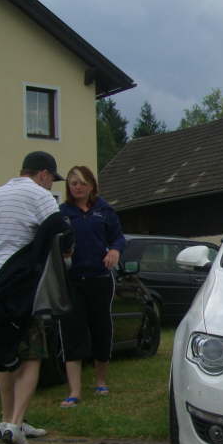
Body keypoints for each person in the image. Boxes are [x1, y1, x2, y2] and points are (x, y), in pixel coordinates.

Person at [0, 151, 68, 444]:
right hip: (20, 285)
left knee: (3, 352)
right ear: (43, 174)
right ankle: (15, 424)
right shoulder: (40, 196)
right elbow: (62, 235)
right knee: (31, 354)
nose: (50, 185)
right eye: (51, 179)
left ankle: (7, 420)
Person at [58, 166, 126, 407]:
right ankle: (74, 391)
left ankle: (100, 381)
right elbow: (53, 241)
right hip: (73, 280)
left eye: (82, 183)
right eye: (73, 183)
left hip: (99, 278)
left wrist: (115, 250)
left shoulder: (104, 210)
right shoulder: (62, 213)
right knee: (73, 331)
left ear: (91, 185)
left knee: (101, 329)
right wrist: (62, 251)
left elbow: (118, 237)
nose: (78, 187)